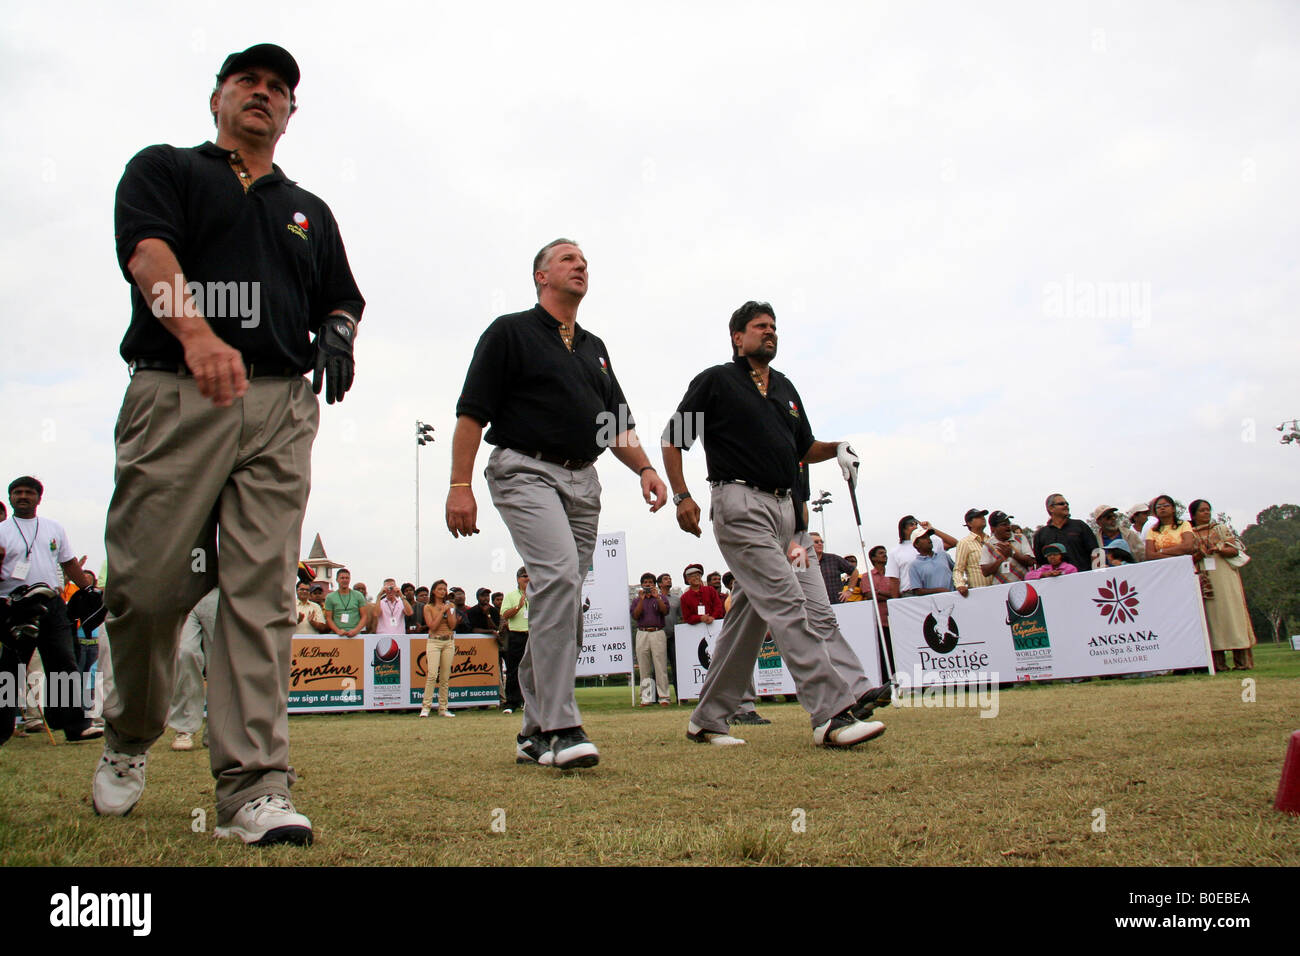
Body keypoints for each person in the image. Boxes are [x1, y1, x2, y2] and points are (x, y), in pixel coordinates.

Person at [97, 43, 364, 845]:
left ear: (290, 114)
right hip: (180, 391)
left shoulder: (307, 208)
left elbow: (342, 296)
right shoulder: (167, 170)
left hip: (281, 406)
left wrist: (340, 333)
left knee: (261, 598)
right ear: (217, 97)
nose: (263, 93)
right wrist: (199, 334)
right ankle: (129, 730)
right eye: (248, 81)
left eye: (279, 88)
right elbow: (149, 255)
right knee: (145, 591)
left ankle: (254, 787)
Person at [446, 238, 667, 769]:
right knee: (560, 580)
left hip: (583, 480)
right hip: (525, 468)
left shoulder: (594, 347)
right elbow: (472, 413)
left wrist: (646, 468)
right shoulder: (509, 332)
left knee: (563, 599)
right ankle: (562, 726)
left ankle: (530, 729)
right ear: (541, 276)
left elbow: (616, 425)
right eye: (568, 259)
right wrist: (459, 484)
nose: (580, 265)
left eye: (585, 261)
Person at [661, 300, 884, 749]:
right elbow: (674, 438)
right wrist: (682, 496)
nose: (770, 332)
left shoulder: (785, 387)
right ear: (737, 337)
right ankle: (831, 714)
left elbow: (805, 447)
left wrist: (838, 447)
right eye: (761, 327)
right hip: (739, 503)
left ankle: (707, 719)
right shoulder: (715, 381)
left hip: (787, 512)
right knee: (787, 602)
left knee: (748, 620)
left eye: (774, 327)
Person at [0, 476, 103, 745]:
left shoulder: (53, 528)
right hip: (13, 605)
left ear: (38, 498)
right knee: (10, 669)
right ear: (10, 497)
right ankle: (2, 728)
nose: (22, 496)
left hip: (52, 602)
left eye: (28, 492)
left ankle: (74, 725)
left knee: (63, 664)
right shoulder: (2, 530)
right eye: (17, 492)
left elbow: (69, 563)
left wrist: (89, 589)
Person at [1188, 499, 1257, 671]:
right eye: (1202, 510)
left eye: (1208, 510)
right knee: (1212, 619)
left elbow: (1234, 550)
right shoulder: (1189, 533)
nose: (1207, 513)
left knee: (1234, 615)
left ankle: (1242, 662)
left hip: (1225, 576)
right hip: (1206, 577)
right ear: (1193, 514)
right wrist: (1201, 553)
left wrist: (1219, 549)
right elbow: (1189, 558)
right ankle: (1218, 663)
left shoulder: (1220, 529)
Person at [166, 588, 218, 751]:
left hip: (220, 590)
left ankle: (217, 730)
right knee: (184, 652)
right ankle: (184, 728)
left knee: (220, 663)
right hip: (186, 591)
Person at [885, 515, 958, 599]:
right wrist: (896, 602)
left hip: (936, 590)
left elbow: (954, 543)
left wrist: (931, 529)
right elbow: (894, 580)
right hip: (910, 594)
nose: (915, 526)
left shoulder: (932, 542)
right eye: (911, 525)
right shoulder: (895, 551)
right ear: (903, 529)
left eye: (916, 524)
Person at [631, 572, 671, 706]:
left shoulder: (660, 597)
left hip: (657, 632)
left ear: (654, 585)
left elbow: (665, 611)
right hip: (642, 633)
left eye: (650, 583)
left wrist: (657, 597)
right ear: (642, 585)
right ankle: (646, 697)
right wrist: (642, 600)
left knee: (660, 666)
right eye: (645, 583)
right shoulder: (637, 600)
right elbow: (636, 615)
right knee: (644, 667)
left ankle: (664, 697)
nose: (648, 585)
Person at [1032, 494, 1101, 571]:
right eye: (1061, 504)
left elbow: (1095, 552)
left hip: (1083, 577)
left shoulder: (1080, 525)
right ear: (1051, 508)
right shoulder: (1041, 534)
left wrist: (1097, 572)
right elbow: (1040, 562)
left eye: (1067, 504)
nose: (1066, 506)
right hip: (1055, 581)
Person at [420, 581, 458, 718]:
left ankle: (443, 707)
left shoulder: (451, 606)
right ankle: (426, 707)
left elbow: (452, 625)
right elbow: (432, 626)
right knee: (432, 675)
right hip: (434, 641)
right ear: (434, 591)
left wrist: (448, 611)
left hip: (448, 641)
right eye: (440, 589)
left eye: (444, 589)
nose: (443, 591)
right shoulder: (428, 607)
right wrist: (441, 611)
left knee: (445, 677)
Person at [499, 569, 530, 715]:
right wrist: (518, 606)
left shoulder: (538, 594)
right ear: (518, 579)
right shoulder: (511, 596)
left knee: (534, 670)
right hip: (516, 635)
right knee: (513, 670)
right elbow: (505, 614)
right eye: (524, 576)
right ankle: (511, 703)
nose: (528, 578)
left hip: (533, 635)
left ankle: (530, 702)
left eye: (530, 575)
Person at [979, 511, 1036, 584]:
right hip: (1000, 590)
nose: (1008, 527)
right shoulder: (988, 545)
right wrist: (1001, 559)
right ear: (993, 528)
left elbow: (1031, 561)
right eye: (1004, 524)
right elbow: (985, 572)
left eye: (1008, 523)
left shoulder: (1020, 538)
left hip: (1023, 586)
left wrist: (1012, 554)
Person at [901, 527, 957, 596]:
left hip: (953, 598)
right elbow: (918, 591)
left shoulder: (943, 555)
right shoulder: (914, 565)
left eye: (928, 537)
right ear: (916, 544)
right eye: (924, 538)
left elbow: (957, 571)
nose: (929, 539)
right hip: (933, 603)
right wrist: (939, 590)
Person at [952, 508, 992, 596]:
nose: (982, 518)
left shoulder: (991, 540)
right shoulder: (964, 543)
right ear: (969, 523)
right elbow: (958, 569)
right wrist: (960, 585)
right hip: (977, 593)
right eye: (978, 517)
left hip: (997, 589)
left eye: (983, 516)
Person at [809, 533, 855, 604]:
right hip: (814, 606)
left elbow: (854, 572)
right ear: (807, 544)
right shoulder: (802, 562)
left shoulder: (834, 559)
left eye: (822, 542)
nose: (820, 544)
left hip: (836, 603)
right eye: (816, 542)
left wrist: (849, 590)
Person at [324, 569, 365, 638]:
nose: (345, 580)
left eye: (347, 578)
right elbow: (328, 618)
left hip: (356, 635)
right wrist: (338, 631)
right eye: (342, 578)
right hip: (337, 635)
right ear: (337, 580)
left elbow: (364, 616)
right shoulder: (330, 597)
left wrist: (356, 630)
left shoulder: (358, 595)